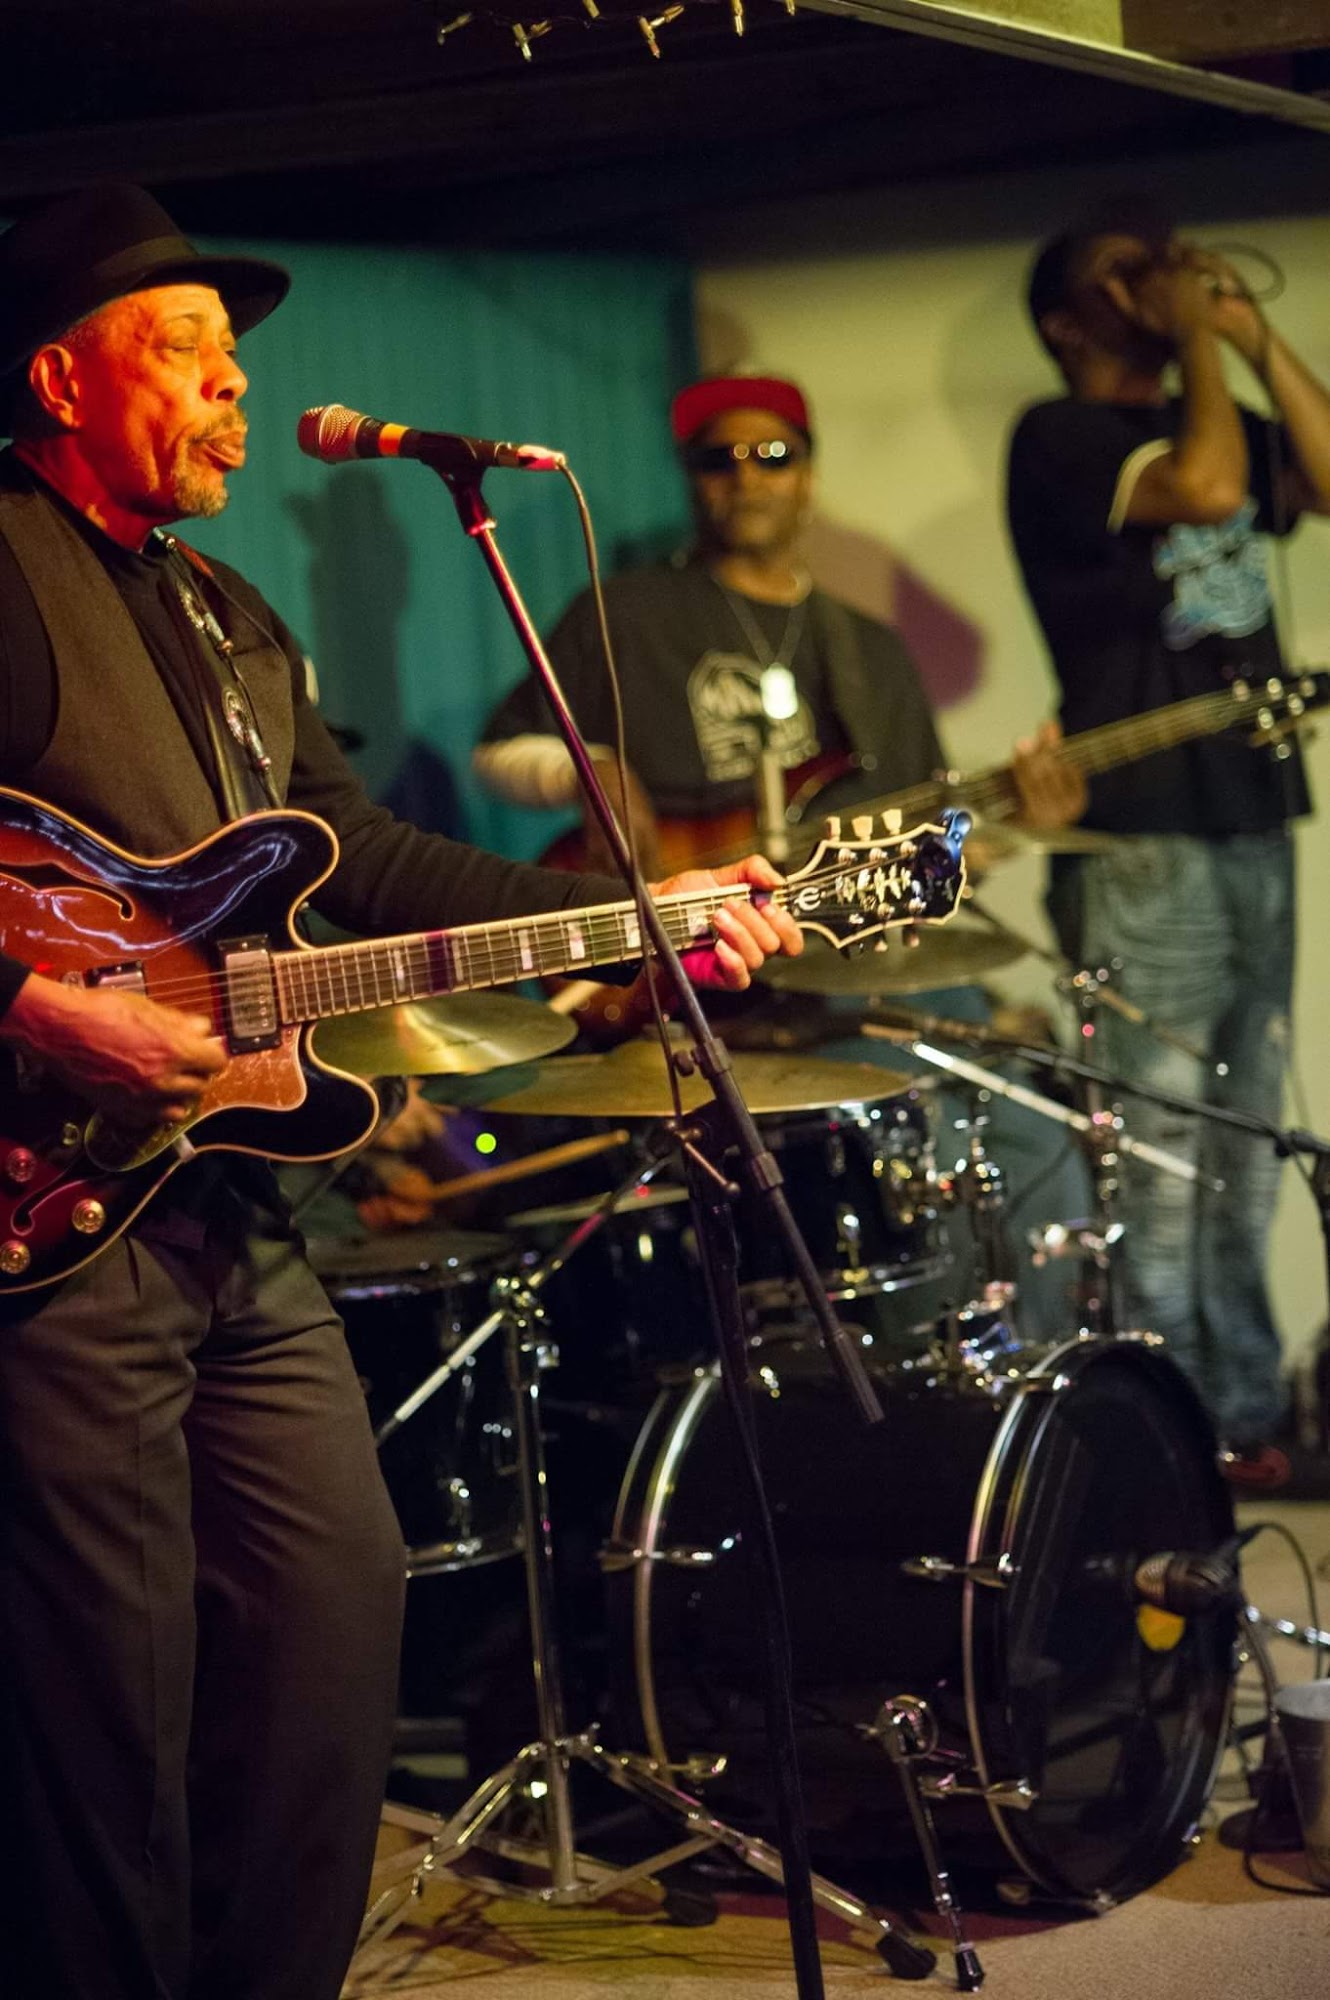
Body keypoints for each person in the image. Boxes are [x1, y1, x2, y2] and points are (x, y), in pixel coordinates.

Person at [0, 183, 801, 2000]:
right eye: (185, 348)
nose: (235, 385)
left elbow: (355, 856)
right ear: (58, 377)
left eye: (235, 353)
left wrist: (638, 913)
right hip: (57, 1202)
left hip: (223, 1199)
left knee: (332, 1609)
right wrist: (40, 1008)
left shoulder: (222, 608)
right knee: (107, 1704)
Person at [1006, 206, 1330, 1480]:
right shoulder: (1061, 437)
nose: (1157, 278)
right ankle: (1168, 1433)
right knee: (1157, 1147)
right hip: (1140, 832)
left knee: (1249, 1137)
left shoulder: (1215, 406)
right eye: (1122, 271)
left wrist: (1250, 338)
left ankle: (1241, 1417)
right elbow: (1201, 489)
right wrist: (1195, 334)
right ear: (1065, 322)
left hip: (1250, 812)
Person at [476, 372, 1083, 885]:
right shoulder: (622, 612)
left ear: (808, 476)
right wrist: (588, 771)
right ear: (691, 479)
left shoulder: (872, 650)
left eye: (772, 456)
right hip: (681, 942)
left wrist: (1021, 822)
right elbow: (496, 753)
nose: (747, 479)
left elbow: (928, 852)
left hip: (835, 952)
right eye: (719, 460)